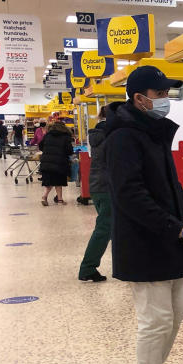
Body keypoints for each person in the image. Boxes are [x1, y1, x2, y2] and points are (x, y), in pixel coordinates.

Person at [103, 65, 183, 364]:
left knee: (177, 310)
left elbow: (169, 184)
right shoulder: (123, 137)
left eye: (167, 94)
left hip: (166, 236)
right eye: (160, 95)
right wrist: (171, 225)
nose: (166, 100)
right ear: (140, 99)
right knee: (155, 318)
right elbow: (129, 194)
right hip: (145, 241)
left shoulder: (152, 131)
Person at [78, 108, 110, 282]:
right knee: (104, 228)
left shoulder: (98, 133)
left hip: (98, 185)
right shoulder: (111, 135)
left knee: (109, 228)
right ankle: (87, 268)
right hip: (108, 187)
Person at [38, 121, 72, 206]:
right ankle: (59, 200)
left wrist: (47, 151)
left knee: (49, 180)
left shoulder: (47, 135)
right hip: (59, 161)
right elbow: (69, 150)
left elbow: (40, 146)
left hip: (46, 161)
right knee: (58, 181)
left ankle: (45, 196)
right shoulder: (65, 136)